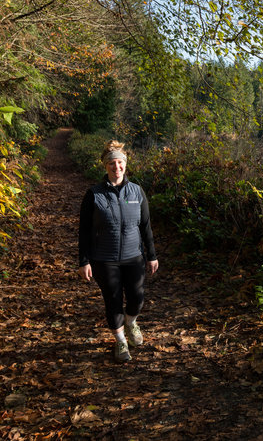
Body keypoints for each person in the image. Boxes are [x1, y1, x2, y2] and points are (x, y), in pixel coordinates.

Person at [78, 140, 158, 362]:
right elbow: (84, 231)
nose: (117, 167)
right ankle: (121, 341)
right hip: (104, 260)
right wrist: (84, 261)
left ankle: (131, 322)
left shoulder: (137, 191)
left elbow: (145, 226)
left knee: (137, 299)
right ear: (105, 166)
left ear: (125, 164)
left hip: (134, 257)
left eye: (120, 162)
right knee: (113, 301)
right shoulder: (94, 194)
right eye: (112, 163)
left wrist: (151, 255)